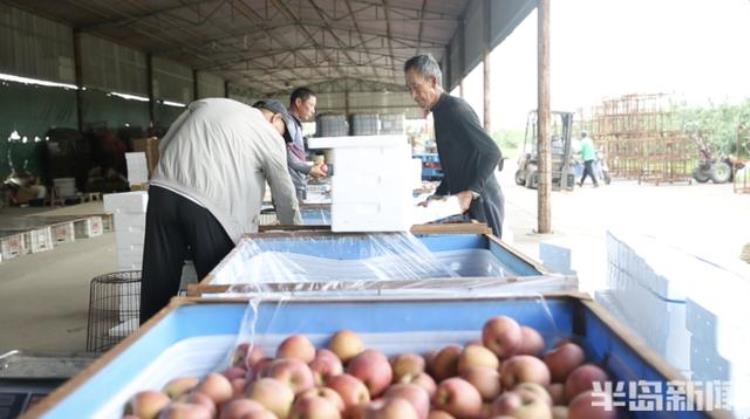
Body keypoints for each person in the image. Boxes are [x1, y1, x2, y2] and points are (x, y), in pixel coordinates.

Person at [140, 98, 301, 323]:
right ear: (277, 119)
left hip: (162, 191)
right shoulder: (269, 133)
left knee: (158, 279)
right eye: (283, 134)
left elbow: (164, 144)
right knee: (217, 282)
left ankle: (147, 344)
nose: (281, 140)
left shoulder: (209, 104)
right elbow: (284, 193)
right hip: (208, 206)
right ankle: (215, 335)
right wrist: (295, 234)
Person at [404, 54, 505, 238]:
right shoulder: (439, 113)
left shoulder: (455, 109)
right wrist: (436, 196)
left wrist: (471, 192)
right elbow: (454, 169)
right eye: (410, 89)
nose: (413, 96)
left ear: (433, 81)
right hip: (467, 200)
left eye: (416, 88)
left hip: (483, 200)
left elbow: (492, 152)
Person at [286, 87, 327, 201]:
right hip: (290, 188)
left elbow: (294, 154)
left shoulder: (295, 123)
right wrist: (309, 169)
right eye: (311, 105)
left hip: (295, 185)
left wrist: (308, 171)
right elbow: (285, 154)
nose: (313, 110)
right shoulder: (289, 123)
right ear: (298, 102)